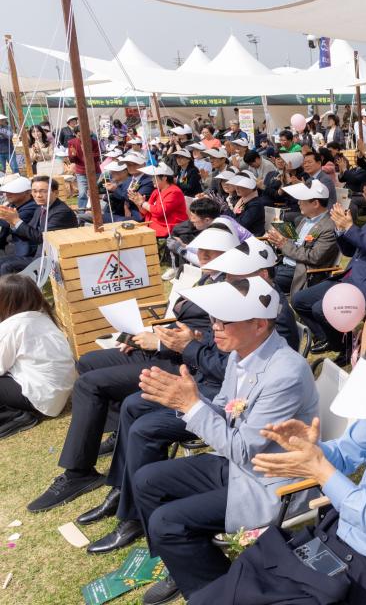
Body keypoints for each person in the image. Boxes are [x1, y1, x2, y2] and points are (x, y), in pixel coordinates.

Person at [189, 313, 366, 605]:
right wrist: (312, 450)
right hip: (333, 539)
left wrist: (322, 471)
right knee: (222, 593)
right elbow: (345, 453)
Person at [79, 241, 300, 556]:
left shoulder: (271, 324)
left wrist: (190, 359)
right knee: (133, 407)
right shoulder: (242, 311)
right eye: (227, 275)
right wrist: (191, 344)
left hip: (249, 447)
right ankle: (125, 493)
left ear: (263, 275)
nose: (227, 282)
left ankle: (138, 515)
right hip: (217, 396)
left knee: (144, 427)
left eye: (237, 277)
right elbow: (227, 361)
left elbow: (237, 381)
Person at [126, 276, 318, 604]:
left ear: (259, 324)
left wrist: (190, 405)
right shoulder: (240, 352)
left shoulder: (284, 373)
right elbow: (225, 409)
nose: (214, 326)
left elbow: (244, 449)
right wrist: (185, 399)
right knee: (146, 480)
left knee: (166, 522)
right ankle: (184, 561)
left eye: (224, 320)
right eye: (214, 317)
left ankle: (224, 594)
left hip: (269, 483)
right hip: (239, 467)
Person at [24, 226, 236, 515]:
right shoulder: (208, 276)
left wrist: (160, 344)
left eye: (212, 253)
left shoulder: (230, 290)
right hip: (172, 347)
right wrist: (150, 333)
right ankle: (116, 433)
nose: (204, 257)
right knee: (87, 362)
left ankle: (78, 472)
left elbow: (211, 342)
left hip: (182, 363)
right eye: (201, 251)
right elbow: (193, 327)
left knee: (91, 385)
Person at [295, 180, 366, 355]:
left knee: (320, 309)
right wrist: (341, 229)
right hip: (347, 278)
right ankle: (330, 338)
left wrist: (349, 227)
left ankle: (344, 349)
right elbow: (350, 251)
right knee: (299, 300)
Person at [0, 274, 76, 438]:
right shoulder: (43, 317)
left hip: (40, 398)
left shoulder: (12, 326)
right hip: (57, 395)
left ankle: (16, 416)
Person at [266, 179, 340, 296]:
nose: (298, 203)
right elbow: (294, 243)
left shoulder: (329, 227)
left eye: (302, 200)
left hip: (300, 272)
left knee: (259, 281)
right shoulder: (305, 219)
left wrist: (284, 244)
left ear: (315, 204)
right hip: (283, 265)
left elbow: (314, 257)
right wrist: (278, 238)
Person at [0, 175, 79, 274]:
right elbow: (32, 231)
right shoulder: (41, 207)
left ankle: (10, 289)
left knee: (6, 267)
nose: (38, 195)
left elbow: (43, 238)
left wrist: (15, 220)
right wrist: (13, 221)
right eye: (35, 191)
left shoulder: (61, 212)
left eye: (44, 191)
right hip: (37, 254)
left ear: (56, 193)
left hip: (50, 260)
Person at [129, 165, 189, 237]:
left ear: (164, 178)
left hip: (167, 230)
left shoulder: (174, 192)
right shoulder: (156, 191)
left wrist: (143, 203)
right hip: (152, 227)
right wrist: (138, 203)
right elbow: (145, 211)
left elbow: (160, 211)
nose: (152, 180)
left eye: (154, 177)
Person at [0, 177, 39, 256]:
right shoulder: (13, 204)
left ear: (27, 193)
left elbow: (7, 222)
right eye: (7, 191)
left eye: (13, 191)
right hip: (9, 245)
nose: (8, 194)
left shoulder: (32, 206)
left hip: (21, 249)